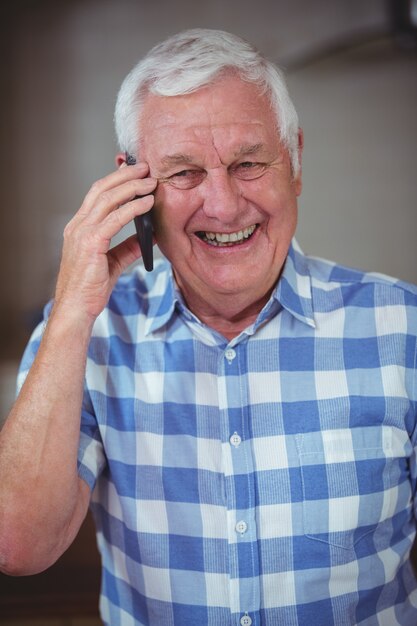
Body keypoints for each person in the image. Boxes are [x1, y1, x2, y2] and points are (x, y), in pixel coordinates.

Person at [0, 27, 416, 626]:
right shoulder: (89, 333)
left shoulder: (403, 328)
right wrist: (70, 311)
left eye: (248, 163)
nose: (222, 206)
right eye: (184, 173)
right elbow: (16, 547)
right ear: (133, 186)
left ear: (294, 161)